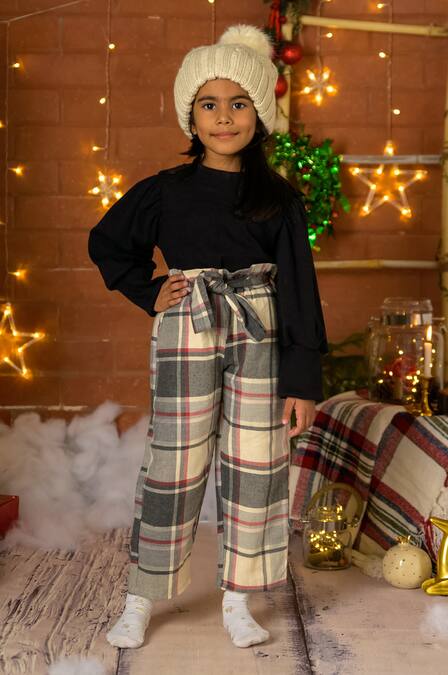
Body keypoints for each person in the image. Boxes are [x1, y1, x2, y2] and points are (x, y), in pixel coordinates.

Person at [88, 23, 328, 650]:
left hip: (259, 330)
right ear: (190, 116)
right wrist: (148, 291)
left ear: (260, 113)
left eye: (239, 103)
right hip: (188, 326)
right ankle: (141, 594)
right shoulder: (164, 191)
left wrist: (303, 380)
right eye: (209, 104)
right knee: (175, 460)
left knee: (257, 460)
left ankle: (239, 598)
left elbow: (300, 291)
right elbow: (107, 243)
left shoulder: (279, 199)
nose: (224, 118)